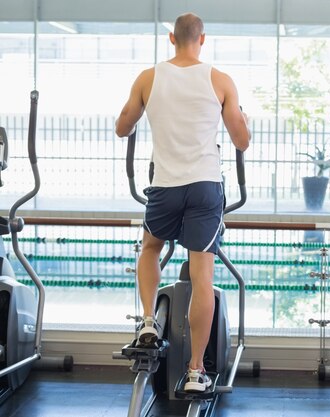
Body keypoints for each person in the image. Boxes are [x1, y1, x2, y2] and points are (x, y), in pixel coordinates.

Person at [115, 12, 250, 392]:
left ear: (172, 38)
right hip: (205, 185)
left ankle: (146, 320)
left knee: (150, 248)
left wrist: (139, 113)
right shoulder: (220, 80)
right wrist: (244, 121)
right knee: (202, 276)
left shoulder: (148, 77)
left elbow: (122, 125)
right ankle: (195, 370)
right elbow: (241, 140)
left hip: (166, 184)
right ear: (202, 40)